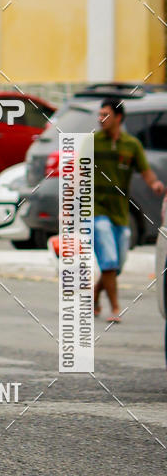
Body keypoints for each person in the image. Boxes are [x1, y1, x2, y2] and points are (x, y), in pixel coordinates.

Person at [93, 97, 164, 322]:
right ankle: (115, 308)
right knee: (109, 259)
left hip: (120, 213)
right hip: (96, 210)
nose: (100, 119)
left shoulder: (131, 145)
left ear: (118, 118)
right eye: (99, 114)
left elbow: (145, 171)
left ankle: (94, 294)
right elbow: (77, 172)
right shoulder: (92, 142)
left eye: (105, 115)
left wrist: (155, 184)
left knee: (117, 264)